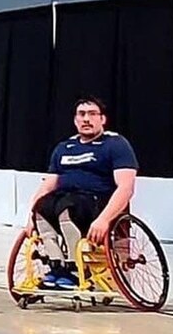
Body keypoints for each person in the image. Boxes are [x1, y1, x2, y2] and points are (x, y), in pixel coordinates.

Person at [22, 96, 138, 290]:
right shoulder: (64, 148)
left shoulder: (115, 144)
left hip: (97, 203)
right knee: (43, 206)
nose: (86, 119)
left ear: (102, 119)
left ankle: (76, 267)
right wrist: (31, 216)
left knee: (67, 206)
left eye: (92, 114)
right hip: (67, 200)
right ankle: (57, 266)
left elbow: (126, 188)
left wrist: (104, 220)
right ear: (75, 120)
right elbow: (47, 186)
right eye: (81, 114)